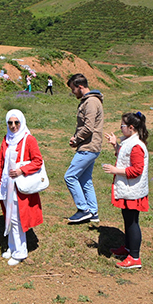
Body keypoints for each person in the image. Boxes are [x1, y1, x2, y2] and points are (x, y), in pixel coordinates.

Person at [0, 109, 44, 266]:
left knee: (16, 219)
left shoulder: (29, 139)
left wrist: (22, 170)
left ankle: (20, 251)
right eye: (10, 123)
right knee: (8, 217)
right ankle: (12, 246)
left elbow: (38, 161)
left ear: (22, 122)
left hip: (19, 186)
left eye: (16, 122)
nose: (13, 126)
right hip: (7, 184)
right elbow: (1, 161)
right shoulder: (6, 139)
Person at [102, 112, 150, 269]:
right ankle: (128, 249)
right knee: (127, 219)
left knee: (132, 222)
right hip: (129, 189)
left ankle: (135, 257)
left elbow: (136, 170)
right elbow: (124, 158)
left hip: (133, 190)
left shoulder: (136, 146)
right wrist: (115, 145)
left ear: (131, 127)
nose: (120, 128)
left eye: (122, 126)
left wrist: (115, 170)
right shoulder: (129, 142)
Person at [64, 74, 103, 224]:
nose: (73, 92)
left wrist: (76, 138)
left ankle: (83, 209)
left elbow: (88, 127)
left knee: (70, 176)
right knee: (85, 180)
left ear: (80, 87)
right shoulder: (89, 101)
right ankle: (93, 212)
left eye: (73, 89)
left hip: (88, 147)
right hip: (90, 146)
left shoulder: (91, 102)